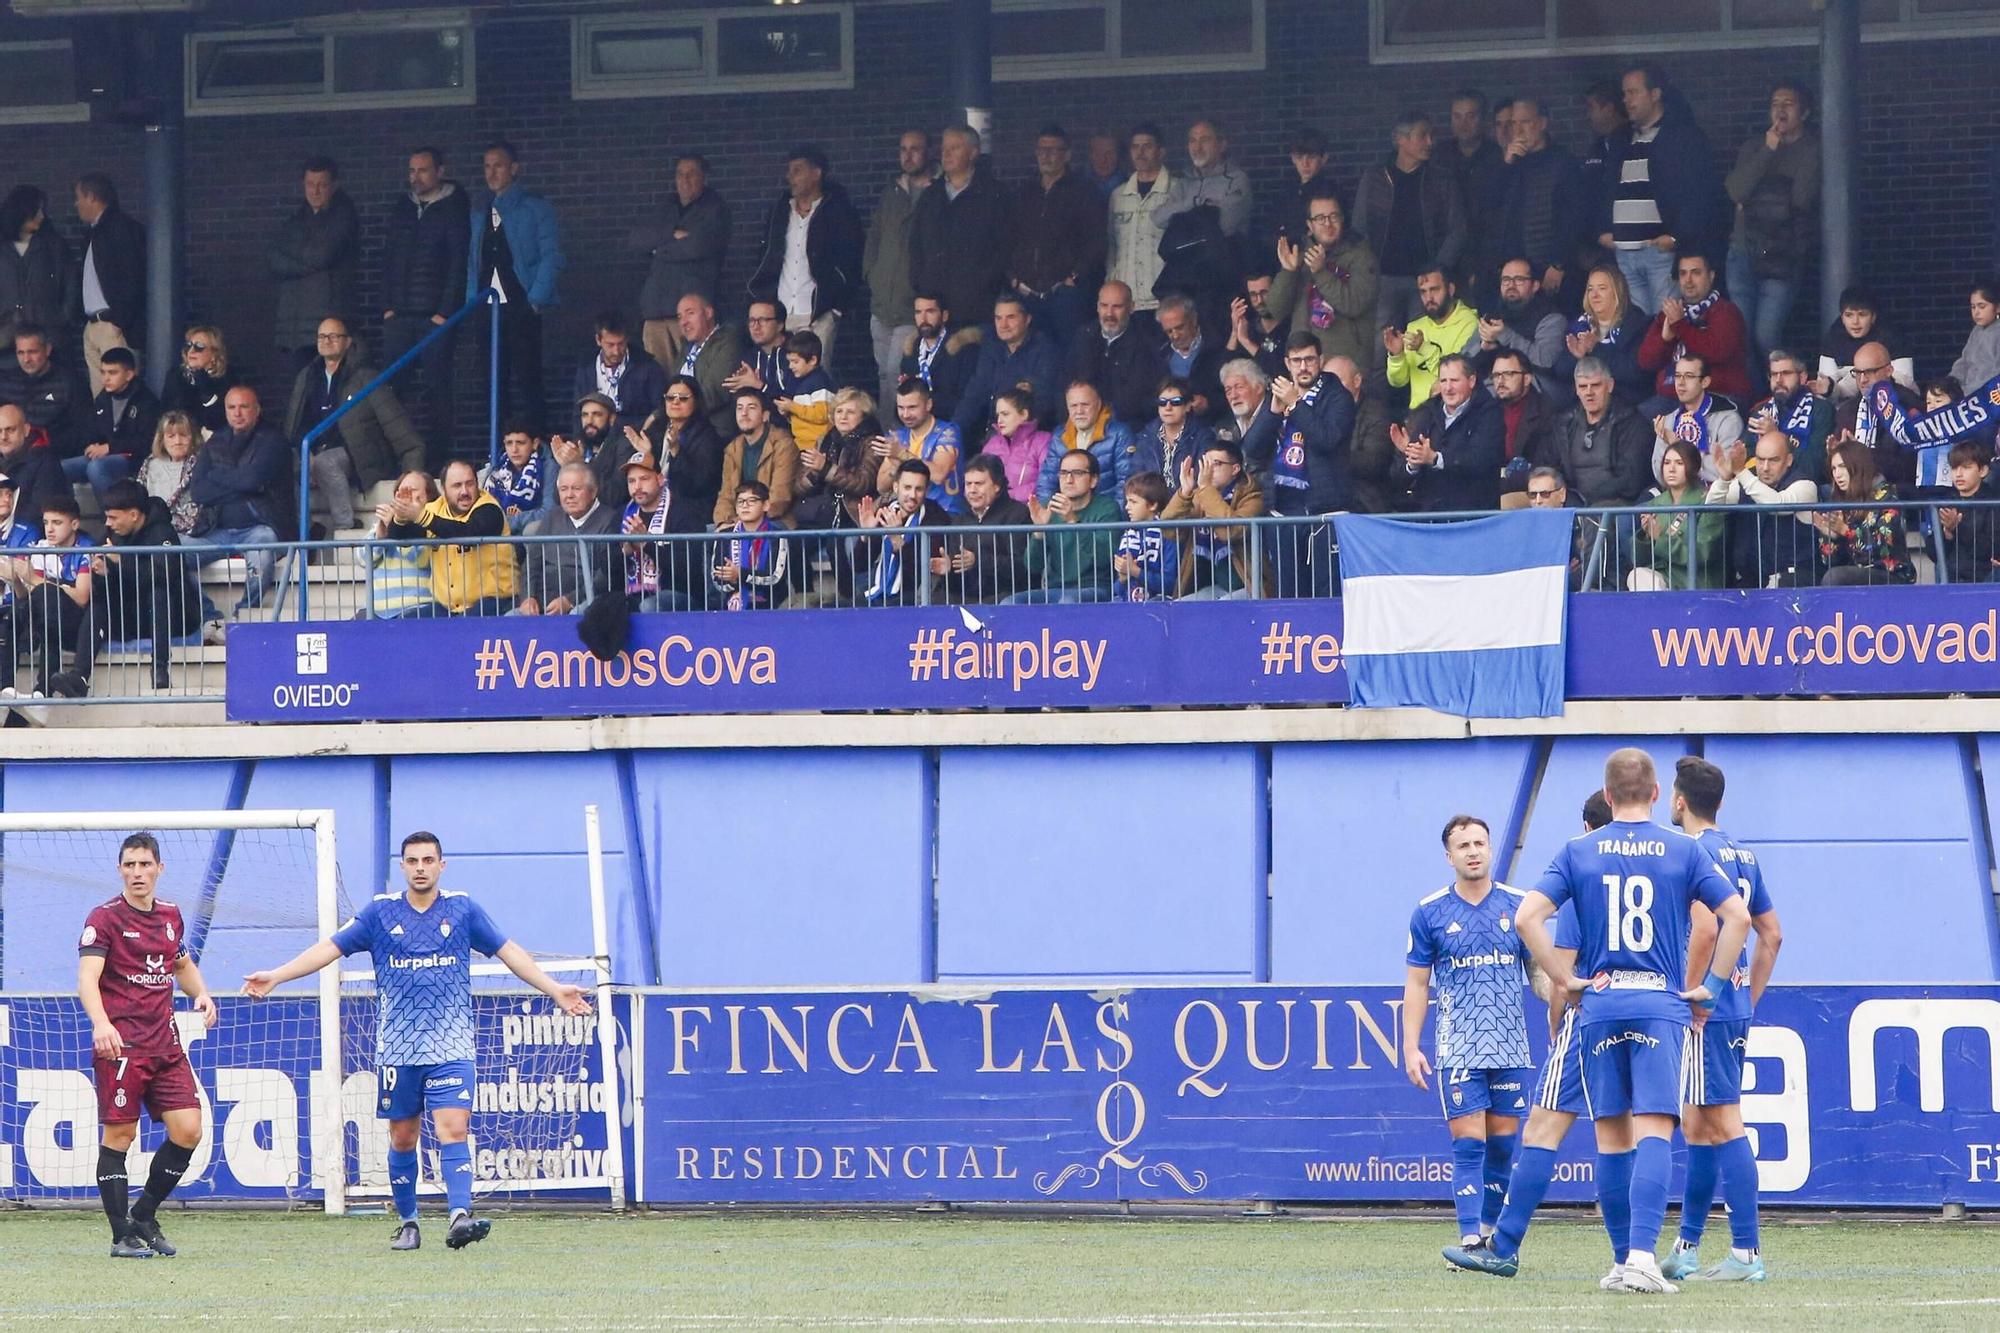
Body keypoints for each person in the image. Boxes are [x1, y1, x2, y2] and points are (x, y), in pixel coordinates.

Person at [1447, 748, 1750, 1293]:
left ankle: (1619, 1263)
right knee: (1655, 1126)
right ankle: (1641, 1258)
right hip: (1658, 1003)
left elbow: (1526, 917)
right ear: (1657, 794)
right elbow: (1737, 916)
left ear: (1607, 797)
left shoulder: (1578, 850)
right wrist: (1712, 987)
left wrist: (1564, 981)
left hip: (1600, 1005)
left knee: (1611, 1136)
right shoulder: (1682, 849)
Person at [245, 831, 591, 1252]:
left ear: (441, 865)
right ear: (403, 867)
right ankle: (409, 1222)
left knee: (453, 1128)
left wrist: (554, 989)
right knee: (403, 1139)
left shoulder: (462, 909)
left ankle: (459, 1216)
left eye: (429, 860)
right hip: (398, 1050)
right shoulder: (379, 914)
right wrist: (277, 975)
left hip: (451, 1047)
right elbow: (329, 949)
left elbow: (508, 950)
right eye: (413, 861)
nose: (421, 867)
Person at [1661, 756, 1784, 1285]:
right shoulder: (1742, 852)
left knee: (1723, 1122)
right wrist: (1746, 995)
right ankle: (1686, 1247)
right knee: (1698, 1122)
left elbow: (1706, 930)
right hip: (1731, 1006)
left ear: (1679, 800)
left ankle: (1747, 1253)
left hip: (1704, 1011)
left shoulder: (1690, 851)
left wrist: (1694, 997)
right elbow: (1771, 934)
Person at [77, 833, 217, 1259]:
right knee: (120, 1134)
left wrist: (201, 993)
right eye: (129, 865)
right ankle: (122, 1234)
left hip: (166, 1045)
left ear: (159, 868)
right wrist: (101, 1023)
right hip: (121, 1047)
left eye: (144, 865)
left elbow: (180, 963)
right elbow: (87, 979)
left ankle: (144, 1214)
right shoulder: (104, 919)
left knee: (188, 1130)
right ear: (120, 869)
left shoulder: (171, 915)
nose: (137, 873)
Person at [1403, 815, 1531, 1253]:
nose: (1473, 851)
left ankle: (1492, 1235)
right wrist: (1411, 1046)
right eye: (1464, 846)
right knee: (1469, 1145)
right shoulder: (1430, 912)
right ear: (1449, 856)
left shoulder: (1520, 906)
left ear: (1491, 849)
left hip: (1511, 1045)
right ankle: (1469, 1236)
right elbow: (1418, 984)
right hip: (1459, 1046)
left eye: (1480, 843)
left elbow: (1540, 974)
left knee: (1502, 1148)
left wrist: (1564, 1006)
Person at [1597, 63, 1729, 314]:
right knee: (1635, 329)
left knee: (1666, 325)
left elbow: (1701, 193)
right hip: (1624, 251)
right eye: (1624, 94)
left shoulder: (1682, 136)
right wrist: (1603, 228)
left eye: (1633, 92)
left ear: (1655, 94)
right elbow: (1607, 188)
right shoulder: (1620, 138)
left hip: (1660, 252)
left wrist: (1677, 237)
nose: (1626, 100)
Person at [287, 317, 427, 532]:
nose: (327, 341)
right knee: (287, 464)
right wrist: (306, 456)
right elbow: (295, 425)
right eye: (322, 336)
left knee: (326, 462)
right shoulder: (307, 377)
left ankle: (346, 527)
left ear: (348, 341)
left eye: (334, 336)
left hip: (357, 455)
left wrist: (412, 470)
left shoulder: (365, 377)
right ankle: (305, 529)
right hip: (314, 452)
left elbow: (397, 425)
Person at [1242, 337, 1355, 596]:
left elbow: (1328, 439)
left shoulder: (1338, 397)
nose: (1303, 367)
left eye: (1309, 360)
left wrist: (1296, 405)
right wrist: (1272, 412)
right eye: (1296, 360)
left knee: (1326, 595)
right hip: (1284, 512)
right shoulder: (1280, 394)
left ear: (1321, 361)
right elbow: (1252, 450)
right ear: (1287, 363)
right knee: (1290, 595)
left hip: (1326, 513)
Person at [468, 140, 566, 436]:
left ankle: (534, 446)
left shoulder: (535, 209)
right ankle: (499, 449)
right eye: (487, 166)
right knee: (492, 383)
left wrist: (535, 298)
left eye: (498, 165)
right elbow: (473, 260)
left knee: (527, 380)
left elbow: (552, 255)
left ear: (514, 168)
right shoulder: (479, 212)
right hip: (487, 309)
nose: (492, 172)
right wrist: (471, 300)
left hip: (521, 306)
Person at [381, 146, 469, 463]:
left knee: (437, 389)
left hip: (435, 317)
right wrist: (389, 308)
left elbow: (459, 263)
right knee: (392, 390)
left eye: (422, 170)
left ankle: (438, 461)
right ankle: (396, 458)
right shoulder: (402, 209)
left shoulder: (455, 208)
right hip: (400, 316)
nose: (415, 177)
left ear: (440, 171)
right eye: (411, 170)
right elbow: (388, 258)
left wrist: (444, 313)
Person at [1724, 83, 1819, 362]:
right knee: (1740, 336)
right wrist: (1767, 151)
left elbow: (1801, 200)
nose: (1780, 109)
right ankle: (1754, 401)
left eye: (1788, 103)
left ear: (1804, 112)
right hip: (1743, 250)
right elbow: (1736, 191)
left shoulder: (1811, 149)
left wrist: (1756, 201)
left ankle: (1779, 394)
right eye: (1775, 102)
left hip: (1782, 254)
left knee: (1766, 335)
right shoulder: (1755, 146)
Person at [747, 145, 863, 362]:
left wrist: (835, 308)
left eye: (797, 170)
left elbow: (850, 262)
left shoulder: (837, 212)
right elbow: (766, 256)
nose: (790, 177)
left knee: (815, 382)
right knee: (778, 377)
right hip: (780, 310)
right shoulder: (780, 211)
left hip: (817, 313)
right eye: (789, 171)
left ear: (816, 174)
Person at [1355, 112, 1467, 334]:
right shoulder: (1374, 177)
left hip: (1426, 281)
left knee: (1423, 343)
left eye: (1431, 135)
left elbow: (1457, 228)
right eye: (1422, 136)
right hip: (1383, 278)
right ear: (1400, 139)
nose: (1430, 142)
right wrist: (1369, 269)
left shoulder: (1442, 178)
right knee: (1381, 349)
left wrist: (1438, 269)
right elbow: (1360, 227)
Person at [186, 387, 288, 615]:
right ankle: (211, 616)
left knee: (263, 549)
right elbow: (199, 492)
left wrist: (217, 477)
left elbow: (253, 480)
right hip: (215, 531)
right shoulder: (215, 442)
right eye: (231, 407)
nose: (237, 413)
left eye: (244, 406)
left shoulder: (273, 439)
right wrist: (243, 485)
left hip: (258, 528)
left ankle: (244, 614)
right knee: (169, 553)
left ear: (257, 410)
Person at [910, 123, 1013, 343]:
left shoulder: (994, 195)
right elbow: (915, 246)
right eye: (944, 148)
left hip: (978, 308)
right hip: (935, 307)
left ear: (973, 153)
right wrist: (921, 285)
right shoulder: (930, 196)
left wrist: (984, 284)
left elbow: (1005, 248)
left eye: (954, 148)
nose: (945, 154)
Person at [94, 480, 202, 688]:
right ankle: (79, 674)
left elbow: (165, 575)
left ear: (134, 515)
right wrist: (102, 572)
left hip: (174, 617)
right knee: (97, 604)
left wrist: (121, 561)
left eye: (113, 517)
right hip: (132, 616)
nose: (108, 523)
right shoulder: (113, 534)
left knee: (158, 592)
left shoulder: (163, 533)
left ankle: (160, 668)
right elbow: (104, 580)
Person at [630, 153, 731, 373]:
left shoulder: (715, 209)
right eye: (680, 174)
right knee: (658, 377)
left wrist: (658, 247)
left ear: (705, 177)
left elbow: (698, 246)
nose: (685, 180)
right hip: (655, 309)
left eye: (691, 174)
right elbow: (637, 240)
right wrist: (671, 234)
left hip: (690, 309)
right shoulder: (665, 206)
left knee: (692, 375)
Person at [1152, 118, 1256, 332]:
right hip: (1185, 281)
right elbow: (1158, 217)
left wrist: (1183, 218)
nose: (1197, 147)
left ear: (1222, 144)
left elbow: (1225, 225)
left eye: (1205, 140)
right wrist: (1197, 204)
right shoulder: (1183, 181)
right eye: (1192, 141)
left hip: (1220, 280)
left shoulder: (1236, 179)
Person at [385, 458, 518, 617]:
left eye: (470, 484)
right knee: (406, 622)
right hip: (448, 607)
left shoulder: (489, 508)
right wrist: (401, 516)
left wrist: (421, 516)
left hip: (495, 601)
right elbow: (400, 537)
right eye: (457, 486)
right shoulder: (434, 509)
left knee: (463, 627)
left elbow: (467, 532)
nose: (465, 492)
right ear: (444, 490)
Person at [1009, 124, 1104, 341]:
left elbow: (1096, 240)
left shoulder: (1084, 192)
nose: (1046, 156)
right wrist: (1013, 277)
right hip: (1027, 293)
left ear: (1067, 155)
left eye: (1053, 150)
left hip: (1065, 294)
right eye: (1041, 150)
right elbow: (1008, 237)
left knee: (1067, 355)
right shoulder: (1024, 193)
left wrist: (1075, 277)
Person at [0, 492, 97, 698]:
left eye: (57, 522)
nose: (49, 529)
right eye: (46, 522)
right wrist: (16, 579)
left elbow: (81, 597)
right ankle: (5, 688)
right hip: (45, 618)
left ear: (74, 524)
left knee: (47, 600)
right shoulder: (41, 548)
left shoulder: (86, 547)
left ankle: (43, 691)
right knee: (11, 615)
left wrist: (34, 580)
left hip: (74, 623)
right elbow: (24, 597)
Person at [864, 131, 935, 408]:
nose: (908, 155)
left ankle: (895, 436)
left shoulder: (936, 190)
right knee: (884, 374)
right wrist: (872, 275)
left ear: (929, 152)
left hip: (911, 306)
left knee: (897, 374)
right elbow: (875, 236)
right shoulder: (891, 191)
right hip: (882, 303)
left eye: (915, 149)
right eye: (903, 149)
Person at [268, 155, 359, 373]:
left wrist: (292, 256)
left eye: (321, 185)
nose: (315, 191)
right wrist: (307, 264)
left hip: (327, 323)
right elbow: (272, 257)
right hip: (293, 328)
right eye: (310, 184)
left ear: (334, 185)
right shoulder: (296, 217)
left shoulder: (344, 215)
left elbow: (322, 255)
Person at [1495, 98, 1584, 304]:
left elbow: (1573, 217)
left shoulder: (1563, 162)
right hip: (1516, 269)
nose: (1518, 129)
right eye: (1514, 123)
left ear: (1542, 123)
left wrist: (1559, 263)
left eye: (1525, 122)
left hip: (1550, 266)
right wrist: (1507, 164)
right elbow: (1491, 205)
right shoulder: (1510, 164)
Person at [1709, 425, 1820, 589]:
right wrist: (1724, 479)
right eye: (1760, 460)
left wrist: (1741, 471)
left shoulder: (1806, 485)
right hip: (1750, 580)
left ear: (1789, 460)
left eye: (1774, 460)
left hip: (1794, 581)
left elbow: (1778, 505)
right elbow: (1712, 509)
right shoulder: (1747, 478)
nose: (1765, 467)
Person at [1636, 251, 1751, 407]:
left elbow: (1717, 352)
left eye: (1696, 273)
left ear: (1711, 276)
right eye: (1683, 274)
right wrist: (1665, 340)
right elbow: (1646, 362)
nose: (1688, 280)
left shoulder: (1725, 311)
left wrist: (1680, 326)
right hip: (1671, 398)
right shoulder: (1671, 312)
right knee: (1637, 421)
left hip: (1716, 396)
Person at [1392, 354, 1503, 512]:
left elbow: (1481, 459)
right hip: (1428, 516)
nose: (1448, 388)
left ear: (1471, 381)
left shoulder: (1489, 413)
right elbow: (1398, 475)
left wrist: (1435, 458)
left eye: (1454, 380)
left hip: (1472, 514)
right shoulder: (1427, 412)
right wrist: (1413, 462)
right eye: (1443, 381)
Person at [1009, 448, 1119, 604]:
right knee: (1010, 604)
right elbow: (1032, 566)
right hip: (1054, 590)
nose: (1068, 479)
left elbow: (1104, 558)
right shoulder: (1050, 507)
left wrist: (1072, 521)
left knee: (1068, 601)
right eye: (1063, 473)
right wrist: (1039, 531)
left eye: (1077, 473)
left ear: (1093, 480)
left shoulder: (1107, 508)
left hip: (1095, 588)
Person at [72, 172, 146, 395]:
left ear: (92, 197)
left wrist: (120, 320)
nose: (76, 204)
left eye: (79, 197)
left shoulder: (120, 229)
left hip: (112, 324)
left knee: (120, 391)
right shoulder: (95, 232)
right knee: (101, 396)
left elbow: (133, 276)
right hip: (94, 324)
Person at [1163, 439, 1265, 600]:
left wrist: (1205, 489)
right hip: (1216, 587)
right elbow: (1168, 530)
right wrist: (1185, 492)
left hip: (1250, 585)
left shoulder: (1252, 497)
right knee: (1181, 607)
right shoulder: (1201, 495)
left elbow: (1231, 531)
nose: (1208, 470)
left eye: (1216, 463)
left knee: (1222, 606)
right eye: (1205, 463)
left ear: (1235, 468)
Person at [517, 462, 620, 617]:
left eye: (576, 489)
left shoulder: (610, 520)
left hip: (585, 602)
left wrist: (570, 600)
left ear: (593, 492)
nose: (569, 495)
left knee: (577, 616)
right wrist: (528, 597)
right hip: (542, 603)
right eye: (563, 489)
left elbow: (605, 576)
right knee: (510, 617)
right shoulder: (552, 517)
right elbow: (532, 563)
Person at [954, 293, 1063, 440]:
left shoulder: (1045, 351)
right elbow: (975, 395)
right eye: (998, 318)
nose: (1003, 325)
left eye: (1010, 317)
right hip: (990, 434)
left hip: (1029, 440)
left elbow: (1045, 403)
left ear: (1027, 319)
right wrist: (952, 431)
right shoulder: (992, 347)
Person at [1813, 437, 1915, 586]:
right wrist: (1833, 538)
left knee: (1834, 578)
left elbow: (1883, 550)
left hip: (1891, 575)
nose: (1837, 474)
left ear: (1858, 466)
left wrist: (1846, 531)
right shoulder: (1838, 500)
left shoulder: (1887, 497)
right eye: (1834, 468)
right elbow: (1829, 562)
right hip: (1856, 573)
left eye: (1842, 466)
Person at [931, 453, 1031, 605]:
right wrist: (949, 568)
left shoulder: (1017, 515)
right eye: (968, 484)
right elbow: (955, 575)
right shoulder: (959, 521)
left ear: (997, 486)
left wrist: (978, 560)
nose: (972, 490)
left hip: (1004, 597)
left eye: (978, 484)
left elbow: (1023, 567)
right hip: (965, 599)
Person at [1629, 439, 1722, 591]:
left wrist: (1661, 537)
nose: (1671, 469)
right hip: (1664, 577)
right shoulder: (1655, 503)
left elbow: (1702, 554)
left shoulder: (1706, 501)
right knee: (1637, 575)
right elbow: (1639, 560)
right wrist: (1646, 536)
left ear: (1694, 467)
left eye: (1679, 463)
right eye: (1666, 463)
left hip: (1695, 583)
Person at [1554, 264, 1651, 407]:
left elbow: (1634, 373)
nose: (1594, 295)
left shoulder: (1636, 323)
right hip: (1583, 403)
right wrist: (1577, 357)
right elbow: (1560, 371)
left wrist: (1596, 349)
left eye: (1602, 288)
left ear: (1617, 292)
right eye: (1590, 289)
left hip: (1623, 401)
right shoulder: (1580, 325)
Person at [1069, 280, 1163, 430]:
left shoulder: (1145, 343)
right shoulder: (1083, 337)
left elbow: (1140, 398)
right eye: (1104, 306)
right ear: (1097, 307)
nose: (1109, 314)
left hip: (1127, 426)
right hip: (1081, 422)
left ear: (1132, 308)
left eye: (1117, 307)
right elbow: (1067, 381)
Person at [1105, 123, 1174, 321]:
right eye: (1135, 147)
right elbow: (1111, 247)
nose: (1140, 152)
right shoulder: (1118, 195)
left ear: (1161, 152)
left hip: (1163, 298)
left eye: (1147, 146)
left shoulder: (1177, 191)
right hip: (1126, 301)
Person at [1384, 266, 1479, 409]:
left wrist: (1424, 348)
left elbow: (1458, 374)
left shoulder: (1470, 323)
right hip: (1419, 415)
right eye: (1423, 292)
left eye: (1434, 290)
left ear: (1451, 289)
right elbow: (1398, 382)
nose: (1429, 298)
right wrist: (1396, 356)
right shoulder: (1415, 327)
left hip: (1455, 413)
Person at [862, 458, 951, 606]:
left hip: (912, 598)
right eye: (907, 488)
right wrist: (866, 535)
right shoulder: (886, 510)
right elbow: (859, 565)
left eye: (919, 489)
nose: (912, 495)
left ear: (927, 490)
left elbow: (918, 572)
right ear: (896, 487)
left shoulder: (936, 517)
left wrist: (898, 540)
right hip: (877, 593)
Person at [1476, 258, 1566, 398]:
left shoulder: (1551, 317)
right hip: (1495, 389)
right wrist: (1486, 348)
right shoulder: (1493, 313)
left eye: (1519, 280)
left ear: (1535, 285)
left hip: (1539, 394)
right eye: (1506, 280)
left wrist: (1506, 336)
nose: (1511, 285)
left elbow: (1545, 362)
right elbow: (1468, 363)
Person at [1036, 379, 1135, 507]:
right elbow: (1047, 480)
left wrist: (1112, 518)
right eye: (1073, 406)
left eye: (1085, 405)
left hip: (1105, 515)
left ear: (1099, 405)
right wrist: (1049, 516)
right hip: (1068, 513)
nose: (1079, 411)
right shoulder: (1059, 435)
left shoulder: (1119, 433)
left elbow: (1126, 482)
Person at [80, 346, 161, 498]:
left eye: (113, 373)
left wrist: (110, 448)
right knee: (60, 468)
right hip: (103, 455)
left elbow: (147, 442)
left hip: (133, 460)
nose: (106, 379)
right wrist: (92, 445)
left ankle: (112, 517)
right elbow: (91, 429)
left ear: (129, 374)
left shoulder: (146, 401)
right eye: (103, 372)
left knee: (96, 468)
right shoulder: (102, 399)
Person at [572, 312, 670, 437]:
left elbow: (660, 409)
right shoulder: (586, 368)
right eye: (610, 345)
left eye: (621, 344)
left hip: (634, 439)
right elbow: (577, 412)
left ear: (627, 339)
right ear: (598, 340)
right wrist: (578, 442)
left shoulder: (648, 366)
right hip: (595, 439)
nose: (616, 351)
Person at [0, 184, 72, 353]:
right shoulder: (3, 248)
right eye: (36, 210)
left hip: (49, 337)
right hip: (8, 340)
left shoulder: (53, 246)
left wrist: (61, 318)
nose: (41, 215)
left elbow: (70, 285)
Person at [1652, 353, 1744, 486]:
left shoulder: (1728, 419)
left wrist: (1678, 448)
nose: (1681, 383)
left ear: (1705, 382)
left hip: (1715, 498)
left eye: (1689, 376)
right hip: (1676, 497)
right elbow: (1659, 474)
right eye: (1677, 376)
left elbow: (1724, 471)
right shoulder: (1668, 420)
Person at [0, 323, 88, 459]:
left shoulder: (70, 382)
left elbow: (83, 430)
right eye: (20, 353)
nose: (26, 359)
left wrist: (45, 446)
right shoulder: (7, 382)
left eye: (32, 352)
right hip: (9, 461)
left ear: (47, 350)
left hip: (55, 459)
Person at [1745, 347, 1833, 484]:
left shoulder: (1821, 411)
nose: (1778, 380)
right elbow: (1746, 458)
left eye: (1785, 373)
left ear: (1802, 377)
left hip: (1802, 488)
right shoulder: (1760, 411)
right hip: (1760, 487)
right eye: (1774, 374)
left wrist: (1776, 436)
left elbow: (1815, 469)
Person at [714, 389, 799, 528]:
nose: (744, 413)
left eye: (751, 408)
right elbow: (725, 496)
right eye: (739, 408)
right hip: (739, 521)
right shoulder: (732, 449)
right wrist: (723, 522)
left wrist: (740, 522)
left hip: (775, 520)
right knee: (709, 535)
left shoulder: (783, 444)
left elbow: (780, 497)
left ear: (765, 415)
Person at [1813, 287, 1915, 403]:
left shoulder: (1893, 337)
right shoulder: (1833, 338)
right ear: (1842, 318)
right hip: (1847, 409)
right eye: (1849, 315)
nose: (1855, 322)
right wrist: (1829, 388)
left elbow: (1905, 383)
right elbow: (1829, 390)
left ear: (1873, 317)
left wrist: (1853, 377)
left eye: (1862, 315)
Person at [1918, 442, 2000, 584]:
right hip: (1951, 577)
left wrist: (1957, 528)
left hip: (1984, 579)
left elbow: (1988, 550)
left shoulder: (1994, 503)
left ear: (1983, 471)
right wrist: (1947, 533)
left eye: (1966, 468)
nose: (1959, 474)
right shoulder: (1945, 504)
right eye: (1954, 468)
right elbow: (1933, 554)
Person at [879, 379, 963, 515]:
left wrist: (902, 455)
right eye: (901, 408)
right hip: (911, 517)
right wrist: (895, 467)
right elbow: (881, 487)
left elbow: (939, 474)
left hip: (945, 516)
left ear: (928, 404)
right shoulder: (898, 437)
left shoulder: (947, 432)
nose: (905, 414)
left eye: (912, 407)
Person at [366, 470, 439, 620]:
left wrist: (398, 530)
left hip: (418, 610)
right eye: (401, 492)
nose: (405, 497)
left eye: (411, 491)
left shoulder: (432, 527)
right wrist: (381, 534)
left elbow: (421, 559)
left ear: (428, 497)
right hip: (378, 614)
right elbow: (363, 559)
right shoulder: (383, 525)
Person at [898, 292, 980, 425]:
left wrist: (921, 399)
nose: (923, 318)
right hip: (915, 430)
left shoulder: (963, 349)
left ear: (944, 315)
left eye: (930, 311)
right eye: (918, 312)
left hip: (950, 427)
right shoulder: (911, 350)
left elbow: (967, 401)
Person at [1488, 348, 1561, 494]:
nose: (1500, 381)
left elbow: (1546, 463)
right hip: (1492, 487)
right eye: (1496, 375)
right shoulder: (1487, 411)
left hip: (1532, 489)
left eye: (1508, 374)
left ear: (1527, 379)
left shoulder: (1546, 410)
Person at [710, 480, 789, 611]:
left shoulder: (777, 535)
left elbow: (775, 576)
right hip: (732, 602)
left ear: (766, 505)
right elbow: (717, 577)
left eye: (752, 500)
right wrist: (733, 580)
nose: (745, 506)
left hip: (772, 604)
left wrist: (740, 574)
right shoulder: (724, 535)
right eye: (740, 502)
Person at [1131, 375, 1219, 487]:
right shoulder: (1146, 437)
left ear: (1187, 406)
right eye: (1162, 402)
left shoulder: (1203, 437)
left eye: (1176, 402)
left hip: (1188, 501)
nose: (1168, 407)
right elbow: (1135, 479)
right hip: (1152, 502)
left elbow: (1202, 481)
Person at [159, 324, 237, 438]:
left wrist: (204, 384)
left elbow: (219, 421)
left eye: (199, 347)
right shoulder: (176, 375)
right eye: (189, 346)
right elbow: (165, 414)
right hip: (179, 439)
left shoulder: (226, 378)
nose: (191, 351)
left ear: (214, 353)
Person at [1154, 294, 1224, 420]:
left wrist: (1209, 403)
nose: (1175, 336)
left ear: (1193, 320)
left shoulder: (1216, 348)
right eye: (1169, 331)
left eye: (1179, 328)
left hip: (1211, 423)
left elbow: (1230, 393)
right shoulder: (1160, 355)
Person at [0, 475, 40, 693]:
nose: (6, 499)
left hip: (16, 605)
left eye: (8, 494)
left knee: (6, 624)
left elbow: (22, 577)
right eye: (0, 494)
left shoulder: (28, 531)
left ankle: (4, 696)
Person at [1112, 470, 1177, 602]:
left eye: (1133, 502)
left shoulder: (1168, 533)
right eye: (1127, 501)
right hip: (1126, 603)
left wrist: (1135, 571)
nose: (1126, 507)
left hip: (1160, 602)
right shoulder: (1129, 534)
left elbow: (1170, 584)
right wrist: (1123, 578)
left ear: (1153, 505)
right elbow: (1117, 589)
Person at [136, 411, 202, 539]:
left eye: (183, 435)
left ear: (192, 438)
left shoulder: (201, 463)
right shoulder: (150, 463)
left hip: (188, 532)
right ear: (162, 439)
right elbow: (139, 497)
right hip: (152, 528)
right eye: (171, 436)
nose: (177, 441)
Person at [980, 388, 1052, 504]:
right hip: (994, 514)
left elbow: (1047, 482)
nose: (999, 420)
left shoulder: (1043, 441)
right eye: (998, 415)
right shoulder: (992, 444)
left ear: (1024, 414)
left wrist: (1009, 497)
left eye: (1005, 414)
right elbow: (980, 480)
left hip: (1029, 513)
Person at [723, 299, 796, 412]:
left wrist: (759, 385)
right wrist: (741, 388)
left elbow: (794, 401)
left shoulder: (796, 354)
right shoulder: (747, 358)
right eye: (752, 320)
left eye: (762, 320)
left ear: (780, 325)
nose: (756, 327)